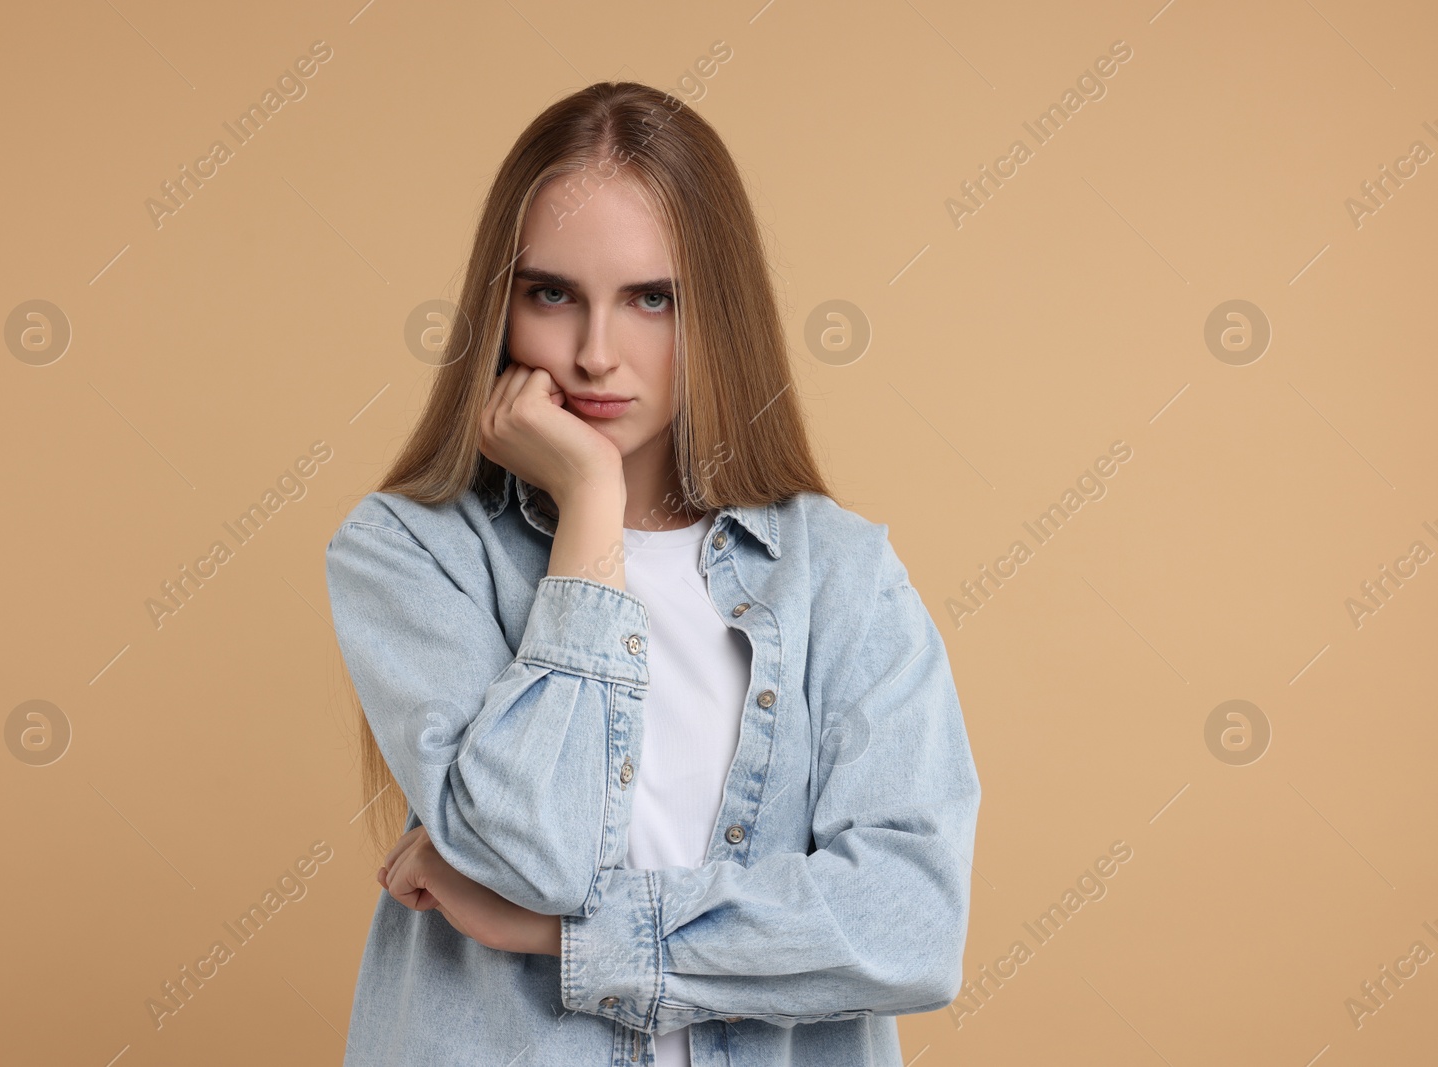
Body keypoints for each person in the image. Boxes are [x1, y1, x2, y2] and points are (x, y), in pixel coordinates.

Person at [324, 80, 980, 1067]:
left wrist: (570, 937)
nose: (595, 354)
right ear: (497, 306)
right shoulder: (412, 551)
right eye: (551, 293)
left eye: (650, 298)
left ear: (715, 309)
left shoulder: (837, 573)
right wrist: (590, 504)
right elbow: (528, 850)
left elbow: (910, 924)